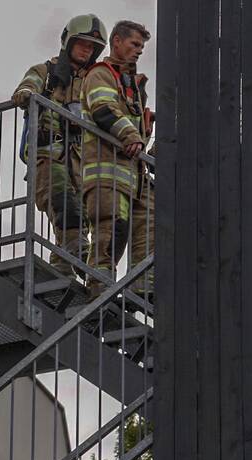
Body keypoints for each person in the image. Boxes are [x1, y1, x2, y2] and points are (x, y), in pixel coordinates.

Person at [12, 14, 109, 276]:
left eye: (92, 47)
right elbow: (27, 87)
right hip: (48, 156)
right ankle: (84, 261)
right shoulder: (47, 71)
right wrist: (27, 94)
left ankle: (63, 271)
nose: (86, 50)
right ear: (68, 43)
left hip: (82, 164)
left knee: (81, 218)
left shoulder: (95, 83)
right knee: (64, 204)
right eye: (82, 44)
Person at [80, 20, 155, 297]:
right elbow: (104, 110)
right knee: (111, 231)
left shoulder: (132, 84)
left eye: (142, 47)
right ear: (117, 42)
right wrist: (131, 136)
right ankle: (99, 290)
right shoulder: (101, 74)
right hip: (107, 174)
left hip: (134, 176)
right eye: (135, 44)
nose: (138, 51)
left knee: (151, 223)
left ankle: (143, 291)